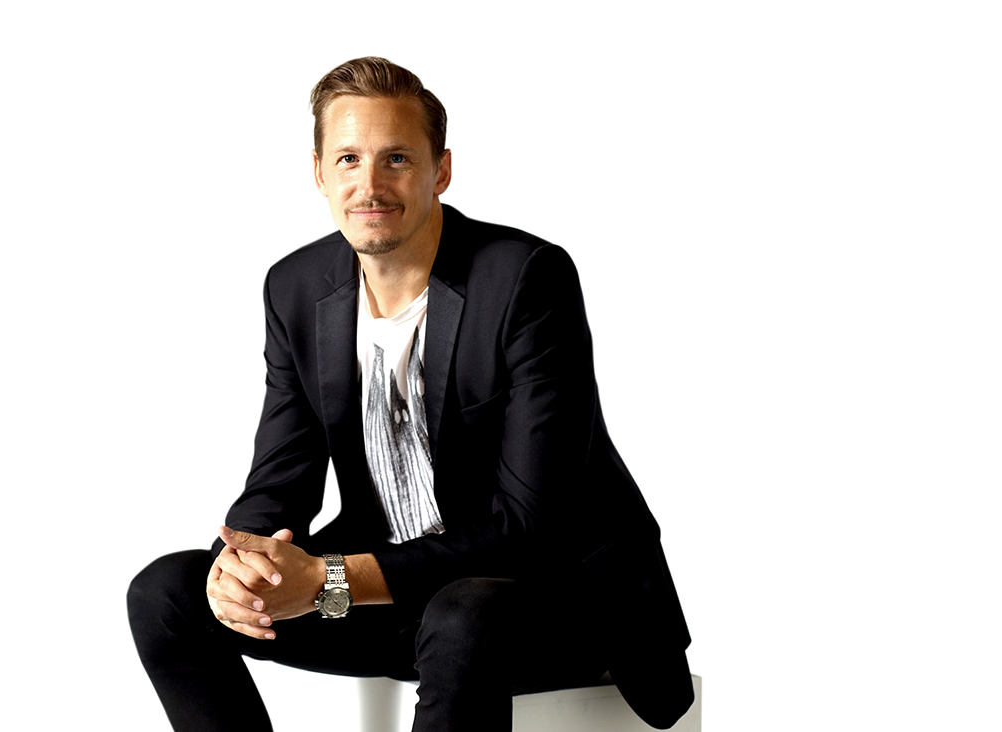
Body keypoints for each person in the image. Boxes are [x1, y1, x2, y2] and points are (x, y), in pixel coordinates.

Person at [128, 56, 693, 732]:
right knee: (168, 593)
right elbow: (280, 478)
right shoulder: (296, 288)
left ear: (441, 171)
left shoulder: (524, 280)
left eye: (396, 158)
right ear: (318, 173)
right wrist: (244, 565)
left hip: (546, 600)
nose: (369, 184)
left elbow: (526, 531)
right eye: (347, 159)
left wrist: (332, 579)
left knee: (465, 612)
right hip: (385, 598)